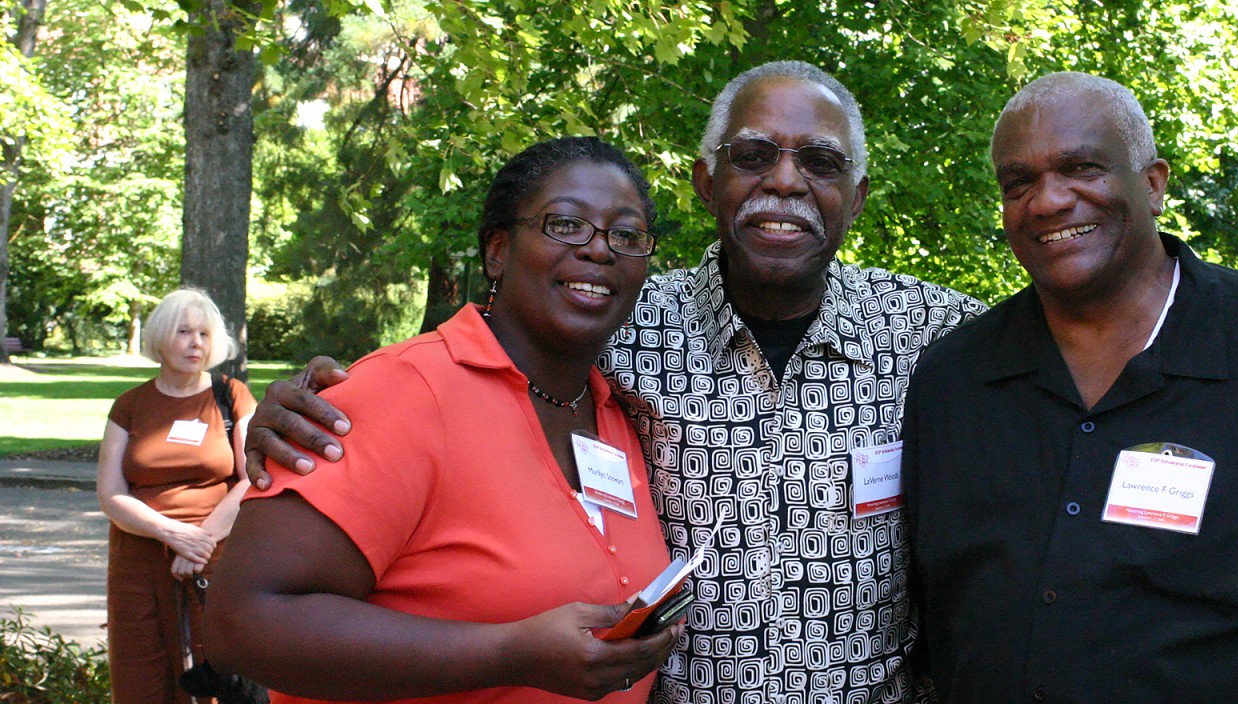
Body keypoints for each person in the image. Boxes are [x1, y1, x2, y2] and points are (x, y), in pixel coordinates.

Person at [239, 62, 985, 703]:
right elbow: (465, 366)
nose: (785, 180)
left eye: (820, 163)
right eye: (753, 154)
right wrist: (308, 400)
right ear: (707, 182)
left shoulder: (938, 332)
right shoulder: (619, 318)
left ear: (854, 197)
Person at [900, 72, 1238, 702]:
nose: (1048, 200)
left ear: (1153, 183)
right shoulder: (954, 380)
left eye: (1082, 167)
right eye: (1018, 182)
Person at [203, 137, 681, 702]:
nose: (600, 250)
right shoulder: (401, 393)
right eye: (566, 224)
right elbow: (242, 623)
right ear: (498, 250)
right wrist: (507, 653)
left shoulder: (624, 411)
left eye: (625, 235)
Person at [97, 288, 256, 704]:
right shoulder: (129, 405)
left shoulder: (231, 396)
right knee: (139, 676)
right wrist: (171, 533)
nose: (195, 343)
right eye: (184, 332)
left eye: (204, 334)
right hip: (137, 560)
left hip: (214, 559)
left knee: (218, 677)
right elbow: (111, 494)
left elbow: (254, 478)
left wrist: (199, 540)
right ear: (161, 338)